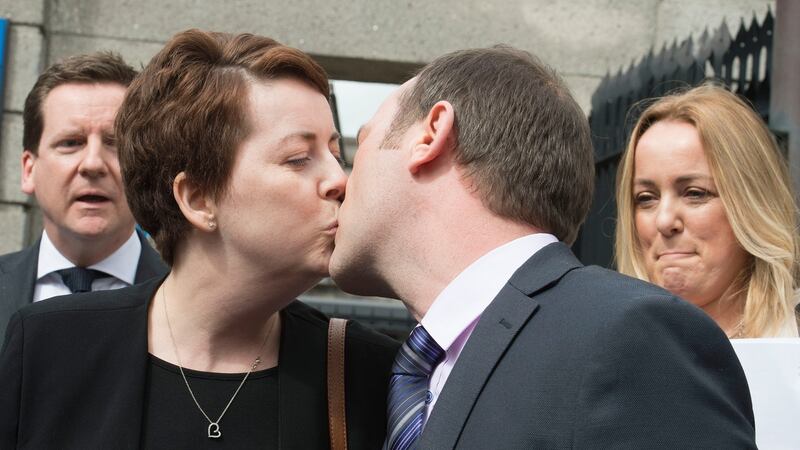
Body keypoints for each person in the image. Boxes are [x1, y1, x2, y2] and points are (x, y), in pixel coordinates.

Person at [329, 47, 756, 449]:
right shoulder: (412, 373)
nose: (339, 182)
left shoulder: (632, 336)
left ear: (431, 134)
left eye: (358, 144)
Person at [0, 29, 397, 449]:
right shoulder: (50, 345)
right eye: (298, 158)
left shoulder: (365, 372)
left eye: (335, 155)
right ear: (198, 198)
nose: (339, 180)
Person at [0, 53, 167, 338]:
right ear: (29, 170)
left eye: (115, 143)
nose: (92, 164)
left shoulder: (191, 303)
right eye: (71, 143)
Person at [615, 83, 799, 338]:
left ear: (751, 202)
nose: (665, 220)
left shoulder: (789, 346)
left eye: (694, 193)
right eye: (646, 198)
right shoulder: (607, 350)